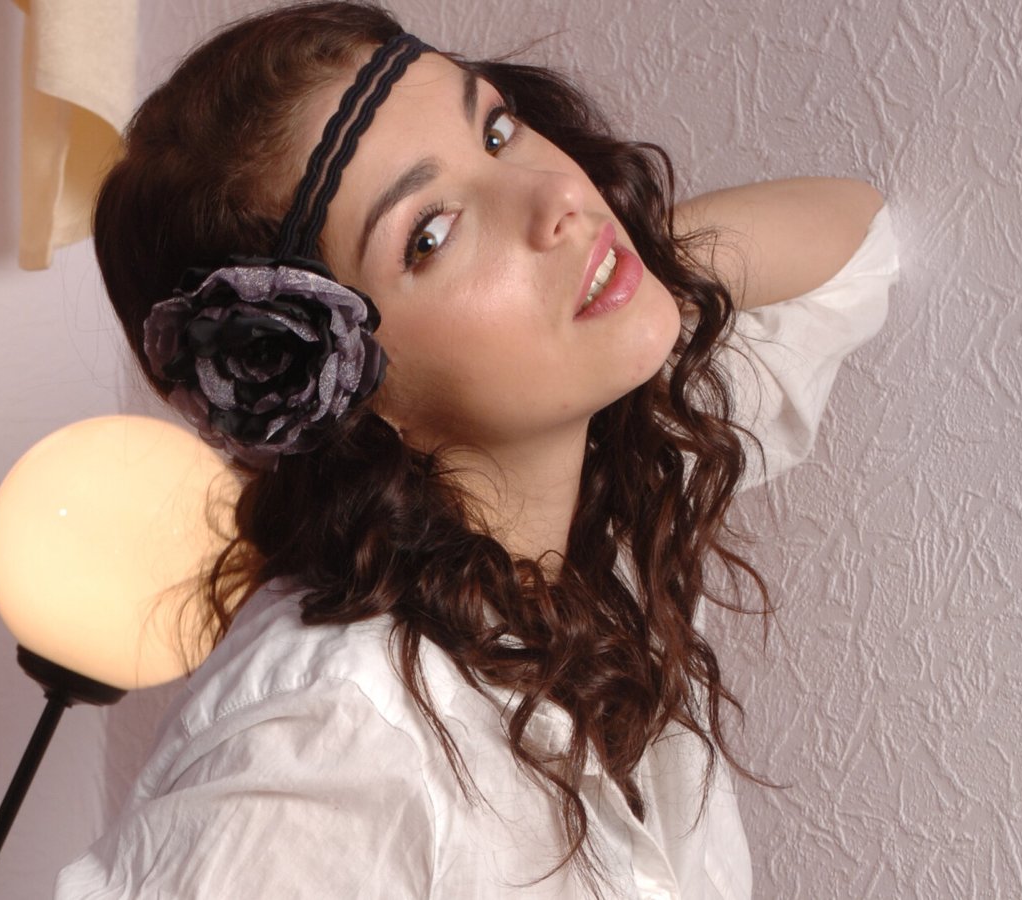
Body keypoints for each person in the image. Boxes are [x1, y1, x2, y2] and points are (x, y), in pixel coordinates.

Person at [58, 2, 897, 897]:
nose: (558, 199)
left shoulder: (595, 501)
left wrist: (623, 278)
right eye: (431, 234)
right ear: (337, 389)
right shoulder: (332, 735)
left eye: (496, 131)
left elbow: (852, 242)